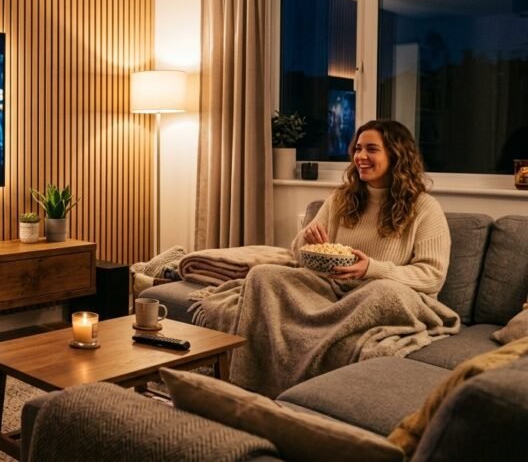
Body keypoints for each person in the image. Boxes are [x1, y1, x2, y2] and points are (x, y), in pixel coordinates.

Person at [187, 119, 459, 397]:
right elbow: (299, 254)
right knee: (263, 275)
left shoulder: (424, 207)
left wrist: (371, 269)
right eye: (358, 149)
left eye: (372, 150)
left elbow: (432, 276)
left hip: (389, 295)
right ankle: (247, 381)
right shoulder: (343, 198)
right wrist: (308, 241)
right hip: (335, 291)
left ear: (396, 155)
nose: (361, 157)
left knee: (382, 290)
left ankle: (313, 335)